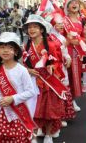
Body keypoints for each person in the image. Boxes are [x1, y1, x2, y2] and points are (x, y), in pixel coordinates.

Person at [0, 32, 37, 142]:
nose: (5, 50)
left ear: (16, 51)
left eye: (10, 47)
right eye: (2, 47)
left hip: (16, 114)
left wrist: (13, 98)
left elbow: (31, 91)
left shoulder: (22, 70)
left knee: (16, 138)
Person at [22, 14, 66, 142]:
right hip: (32, 82)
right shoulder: (27, 47)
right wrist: (28, 70)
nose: (32, 29)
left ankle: (48, 134)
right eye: (30, 27)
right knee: (33, 110)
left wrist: (53, 67)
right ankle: (34, 133)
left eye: (35, 27)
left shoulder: (50, 45)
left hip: (48, 83)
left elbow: (58, 62)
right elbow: (24, 64)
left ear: (41, 29)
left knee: (48, 110)